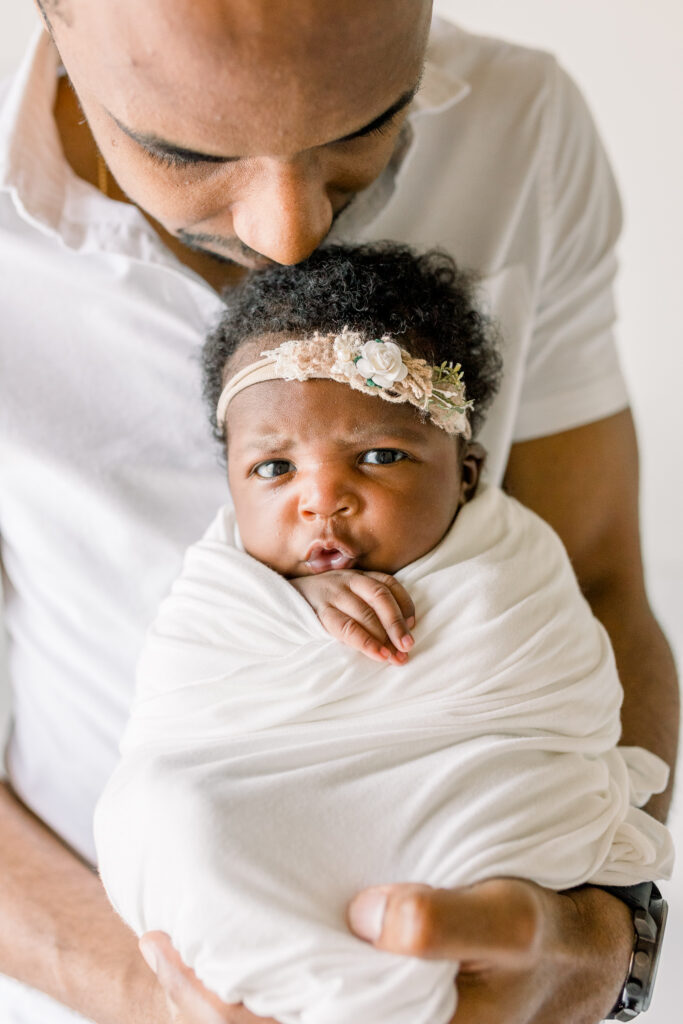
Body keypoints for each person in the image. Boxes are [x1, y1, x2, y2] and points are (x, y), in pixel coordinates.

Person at [0, 2, 677, 1023]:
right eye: (181, 150)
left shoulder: (521, 124)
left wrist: (606, 925)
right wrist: (156, 991)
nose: (290, 231)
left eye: (369, 130)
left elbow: (591, 585)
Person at [93, 243, 673, 1024]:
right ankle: (336, 987)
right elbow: (180, 721)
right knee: (166, 808)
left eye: (377, 455)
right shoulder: (223, 588)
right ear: (229, 482)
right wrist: (294, 602)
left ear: (465, 473)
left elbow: (556, 714)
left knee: (504, 815)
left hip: (462, 830)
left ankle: (406, 971)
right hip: (251, 819)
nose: (321, 500)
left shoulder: (506, 569)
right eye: (273, 469)